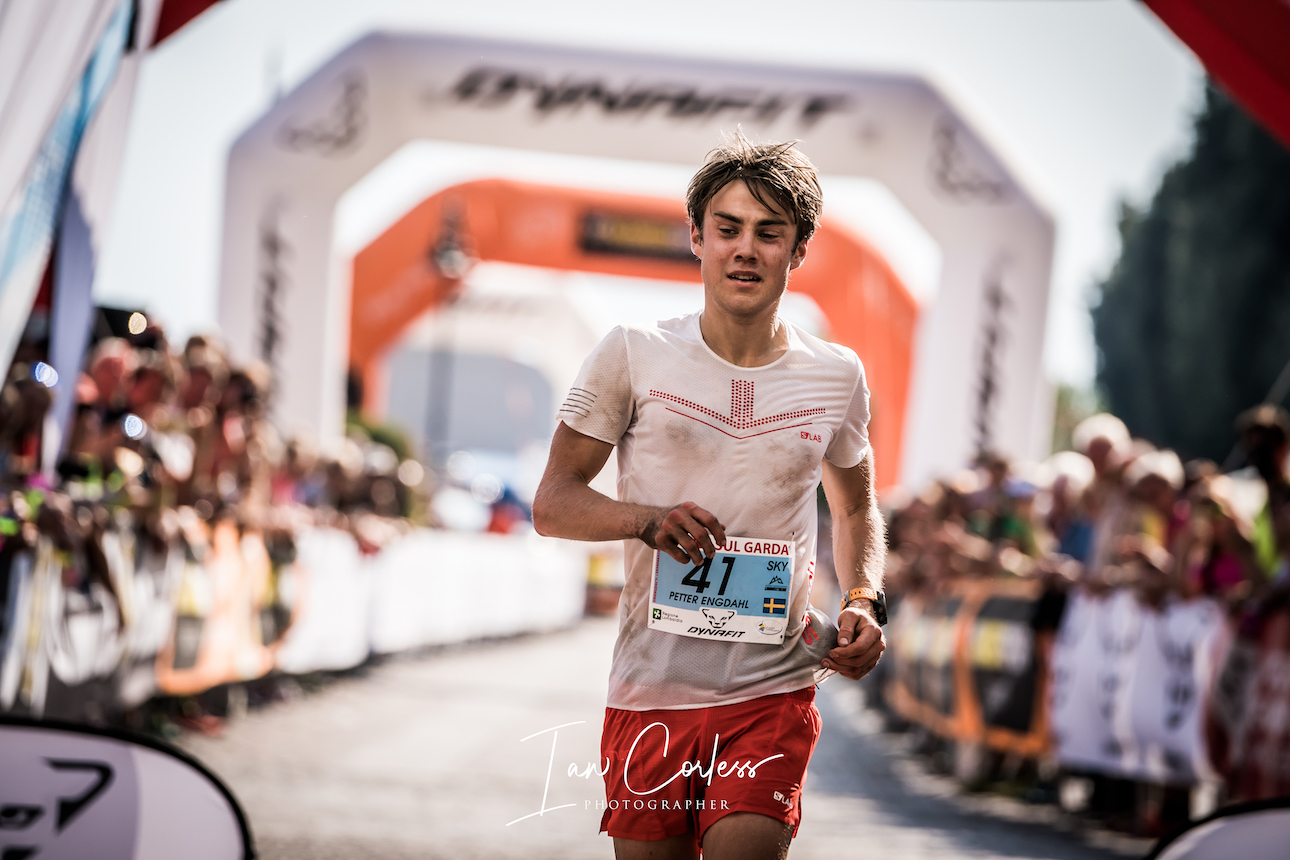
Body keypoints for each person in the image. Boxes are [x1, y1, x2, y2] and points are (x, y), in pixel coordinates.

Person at [532, 131, 886, 860]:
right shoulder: (633, 351)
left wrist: (863, 599)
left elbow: (855, 506)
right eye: (728, 229)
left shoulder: (836, 374)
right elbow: (553, 504)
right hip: (651, 692)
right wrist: (647, 520)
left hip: (772, 690)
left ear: (798, 250)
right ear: (697, 238)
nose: (745, 249)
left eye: (769, 233)